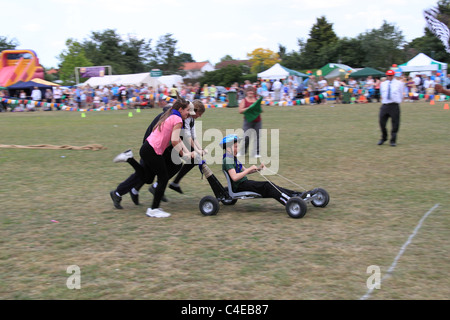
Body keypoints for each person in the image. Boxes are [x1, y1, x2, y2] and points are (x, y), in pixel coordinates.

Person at [112, 95, 196, 217]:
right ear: (181, 109)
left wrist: (186, 153)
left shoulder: (172, 115)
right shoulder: (177, 119)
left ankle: (129, 158)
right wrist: (186, 154)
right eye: (188, 110)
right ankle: (153, 209)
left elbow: (178, 139)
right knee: (163, 178)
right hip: (152, 150)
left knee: (148, 178)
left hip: (148, 148)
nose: (189, 113)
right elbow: (174, 141)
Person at [222, 135, 305, 205]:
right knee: (267, 186)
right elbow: (235, 177)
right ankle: (291, 202)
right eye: (236, 146)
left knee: (270, 185)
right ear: (229, 148)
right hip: (240, 186)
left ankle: (296, 195)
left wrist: (258, 168)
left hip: (244, 184)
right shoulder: (228, 160)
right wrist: (249, 169)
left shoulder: (233, 159)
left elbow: (245, 171)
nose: (238, 148)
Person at [149, 100, 207, 196]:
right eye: (199, 113)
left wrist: (200, 149)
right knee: (170, 166)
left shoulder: (191, 119)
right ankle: (159, 186)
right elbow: (187, 137)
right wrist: (195, 151)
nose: (200, 116)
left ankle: (166, 185)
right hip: (172, 142)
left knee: (190, 160)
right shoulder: (186, 118)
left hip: (178, 141)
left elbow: (194, 136)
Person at [378, 70, 404, 147]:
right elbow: (382, 93)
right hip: (385, 105)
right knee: (382, 122)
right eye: (388, 75)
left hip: (394, 105)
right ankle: (384, 137)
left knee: (395, 124)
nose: (389, 77)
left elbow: (401, 93)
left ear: (393, 75)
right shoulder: (383, 84)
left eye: (391, 75)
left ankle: (393, 140)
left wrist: (397, 101)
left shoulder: (399, 83)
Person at [238, 86, 262, 158]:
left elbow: (261, 110)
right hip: (247, 121)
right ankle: (242, 152)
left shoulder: (256, 100)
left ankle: (257, 153)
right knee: (246, 137)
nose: (250, 92)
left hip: (257, 121)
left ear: (254, 92)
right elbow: (240, 111)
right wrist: (249, 108)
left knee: (257, 137)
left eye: (252, 91)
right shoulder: (244, 100)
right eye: (249, 91)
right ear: (246, 92)